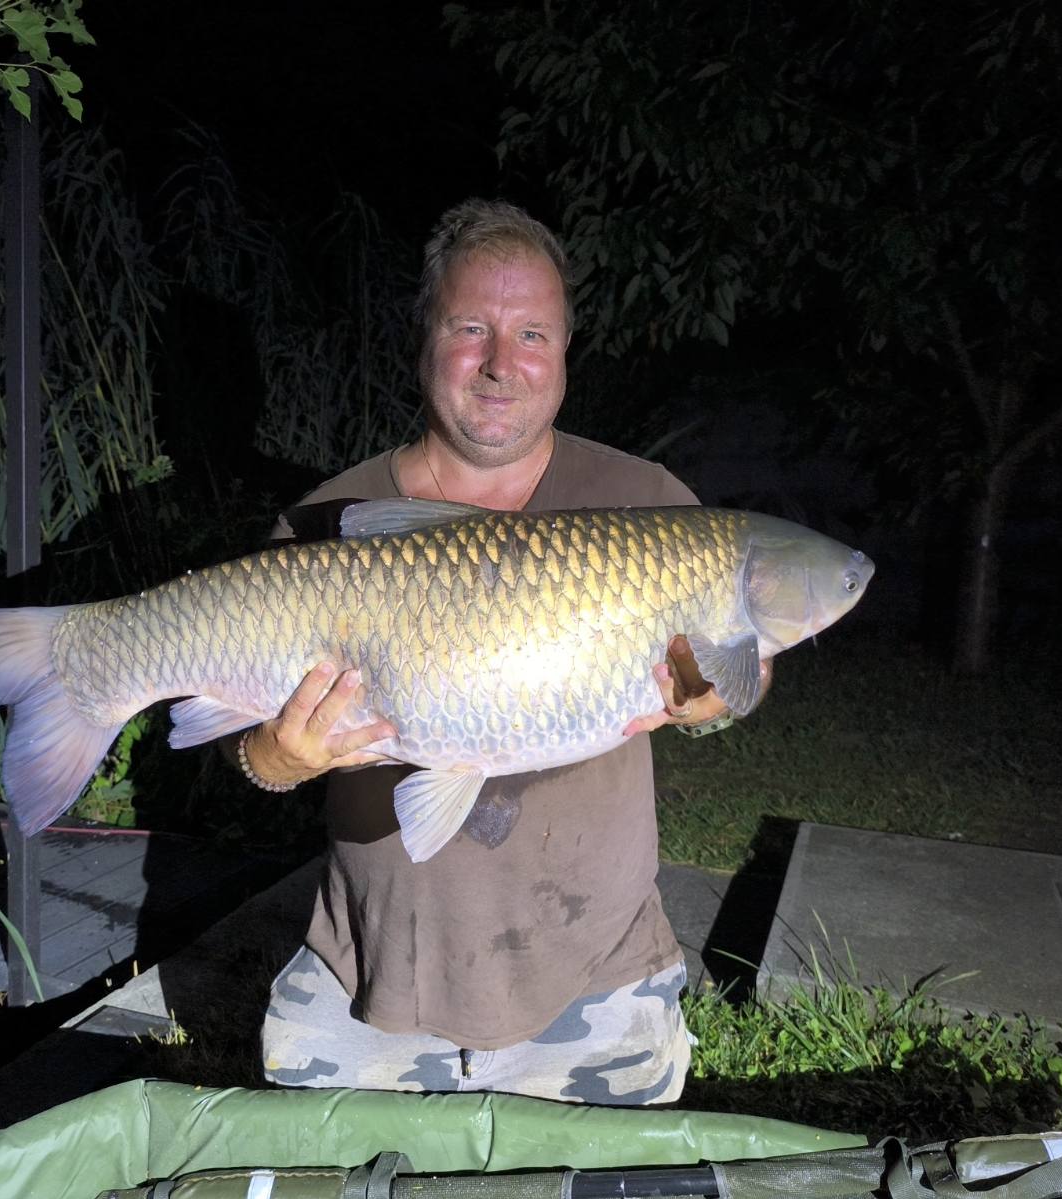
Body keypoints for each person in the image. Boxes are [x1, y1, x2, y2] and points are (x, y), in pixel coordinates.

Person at [236, 198, 764, 1105]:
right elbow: (239, 744)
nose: (499, 363)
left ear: (564, 352)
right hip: (374, 969)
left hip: (595, 970)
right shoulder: (331, 522)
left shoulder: (648, 504)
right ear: (425, 338)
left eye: (531, 335)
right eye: (470, 328)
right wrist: (275, 759)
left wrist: (713, 699)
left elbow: (742, 660)